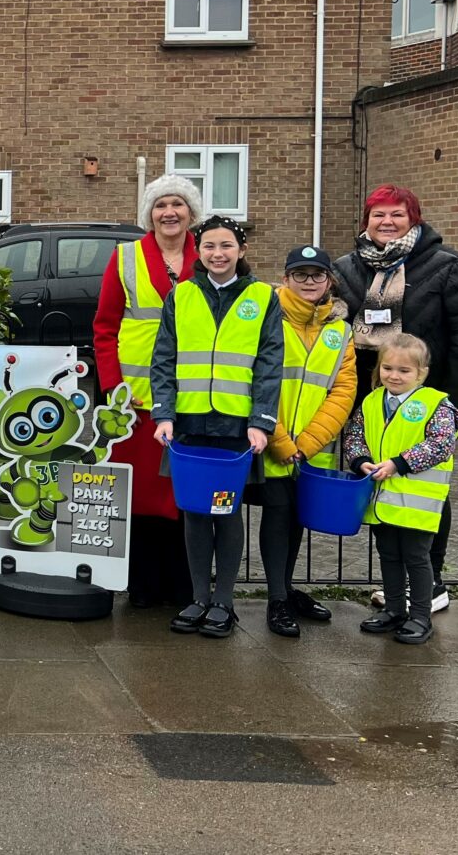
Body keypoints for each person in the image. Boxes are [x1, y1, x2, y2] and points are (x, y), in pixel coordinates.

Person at [332, 185, 458, 613]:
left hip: (428, 402)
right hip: (370, 402)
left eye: (397, 215)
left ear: (414, 220)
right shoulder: (346, 268)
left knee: (425, 492)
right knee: (382, 487)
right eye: (378, 214)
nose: (387, 222)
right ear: (366, 220)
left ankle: (431, 583)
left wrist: (456, 407)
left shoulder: (449, 267)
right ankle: (397, 584)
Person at [150, 217, 283, 638]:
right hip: (188, 422)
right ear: (199, 251)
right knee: (192, 512)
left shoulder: (263, 297)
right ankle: (198, 598)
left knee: (225, 511)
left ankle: (224, 601)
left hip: (235, 426)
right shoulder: (181, 295)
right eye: (209, 246)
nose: (217, 254)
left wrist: (261, 421)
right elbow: (164, 358)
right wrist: (163, 413)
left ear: (241, 251)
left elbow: (269, 362)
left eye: (226, 246)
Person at [94, 174, 201, 609]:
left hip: (194, 398)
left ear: (191, 213)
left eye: (177, 203)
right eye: (160, 205)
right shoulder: (124, 258)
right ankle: (141, 584)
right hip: (136, 402)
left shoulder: (211, 256)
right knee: (140, 496)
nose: (169, 212)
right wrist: (111, 388)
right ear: (149, 214)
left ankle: (184, 586)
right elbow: (104, 329)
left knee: (184, 497)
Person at [257, 246, 355, 637]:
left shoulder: (340, 329)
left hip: (311, 448)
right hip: (269, 441)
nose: (309, 282)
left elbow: (343, 390)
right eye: (300, 274)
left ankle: (286, 588)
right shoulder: (268, 319)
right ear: (286, 279)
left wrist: (309, 443)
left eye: (317, 275)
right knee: (278, 515)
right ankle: (277, 600)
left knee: (296, 516)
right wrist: (281, 440)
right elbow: (253, 378)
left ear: (330, 280)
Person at [343, 334, 458, 645]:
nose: (394, 376)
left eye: (403, 370)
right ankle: (394, 609)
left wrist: (399, 463)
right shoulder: (371, 401)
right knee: (388, 554)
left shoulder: (435, 404)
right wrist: (361, 461)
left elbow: (441, 445)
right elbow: (355, 435)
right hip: (381, 498)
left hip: (416, 503)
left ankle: (421, 616)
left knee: (416, 557)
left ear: (421, 372)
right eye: (387, 368)